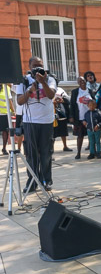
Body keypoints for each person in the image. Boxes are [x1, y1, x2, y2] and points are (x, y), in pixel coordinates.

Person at [15, 56, 56, 191]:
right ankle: (32, 182)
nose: (38, 68)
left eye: (40, 66)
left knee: (46, 153)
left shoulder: (50, 79)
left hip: (46, 121)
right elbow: (20, 101)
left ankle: (46, 181)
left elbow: (51, 95)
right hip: (30, 122)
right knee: (31, 154)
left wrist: (43, 82)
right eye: (34, 66)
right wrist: (30, 91)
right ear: (29, 67)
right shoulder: (24, 80)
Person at [70, 77, 92, 159]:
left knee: (91, 135)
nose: (82, 82)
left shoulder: (90, 91)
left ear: (86, 81)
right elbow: (72, 104)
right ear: (78, 83)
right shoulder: (75, 92)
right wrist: (71, 116)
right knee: (80, 136)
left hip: (89, 117)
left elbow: (94, 101)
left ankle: (92, 152)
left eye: (83, 80)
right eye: (80, 81)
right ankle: (78, 153)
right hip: (79, 117)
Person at [52, 87, 72, 152]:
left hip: (61, 113)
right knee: (52, 132)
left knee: (63, 131)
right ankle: (51, 148)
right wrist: (53, 102)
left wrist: (62, 100)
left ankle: (65, 146)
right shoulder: (47, 89)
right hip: (51, 113)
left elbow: (68, 99)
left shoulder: (60, 89)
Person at [0, 84, 12, 155]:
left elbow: (10, 101)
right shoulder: (6, 87)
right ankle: (4, 149)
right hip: (4, 114)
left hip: (5, 113)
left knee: (5, 132)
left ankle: (4, 148)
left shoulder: (7, 87)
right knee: (5, 132)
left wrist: (13, 111)